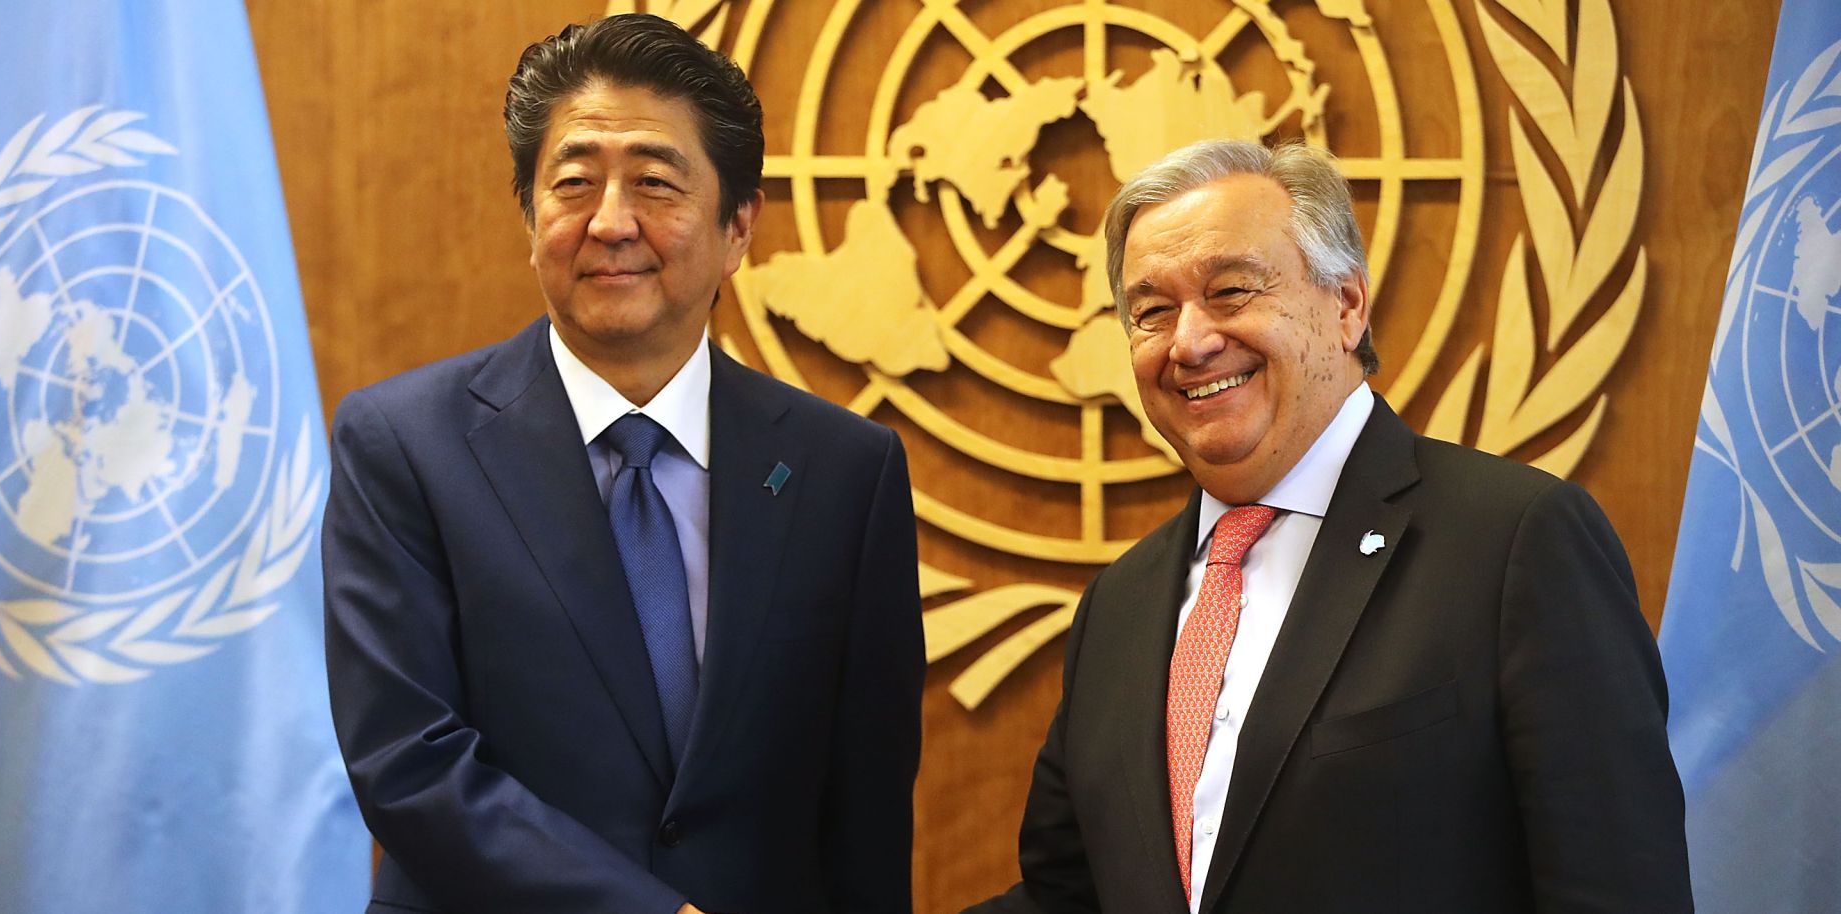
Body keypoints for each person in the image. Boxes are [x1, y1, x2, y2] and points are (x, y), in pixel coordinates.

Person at [966, 140, 1691, 913]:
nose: (1189, 341)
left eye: (1232, 291)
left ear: (1346, 306)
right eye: (1152, 312)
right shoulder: (1121, 601)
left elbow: (1614, 888)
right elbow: (1067, 897)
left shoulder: (1515, 543)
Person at [321, 14, 924, 913]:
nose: (610, 223)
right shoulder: (403, 444)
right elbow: (409, 762)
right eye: (573, 184)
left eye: (654, 181)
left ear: (739, 226)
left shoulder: (846, 470)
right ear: (530, 218)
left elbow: (865, 801)